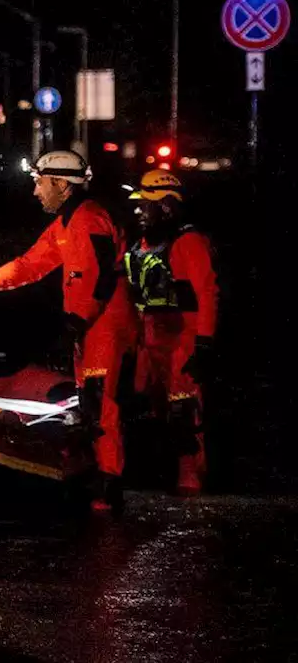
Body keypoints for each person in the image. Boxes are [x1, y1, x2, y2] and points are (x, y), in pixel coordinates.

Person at [0, 150, 138, 511]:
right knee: (93, 402)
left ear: (60, 184)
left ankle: (108, 482)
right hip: (92, 324)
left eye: (40, 183)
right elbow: (32, 264)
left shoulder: (88, 220)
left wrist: (77, 321)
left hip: (103, 325)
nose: (36, 191)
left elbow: (95, 276)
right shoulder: (69, 222)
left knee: (101, 403)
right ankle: (100, 475)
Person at [124, 169, 218, 496]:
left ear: (165, 206)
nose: (138, 210)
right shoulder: (141, 247)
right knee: (150, 406)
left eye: (145, 204)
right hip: (151, 337)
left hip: (181, 337)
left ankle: (190, 476)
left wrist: (203, 340)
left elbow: (206, 292)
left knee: (184, 407)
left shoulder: (187, 243)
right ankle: (159, 470)